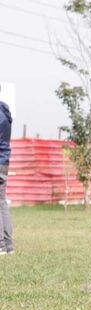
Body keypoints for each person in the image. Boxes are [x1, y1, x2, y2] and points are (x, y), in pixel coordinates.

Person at [0, 93, 13, 255]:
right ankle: (8, 245)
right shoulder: (4, 113)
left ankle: (1, 245)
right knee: (2, 202)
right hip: (4, 161)